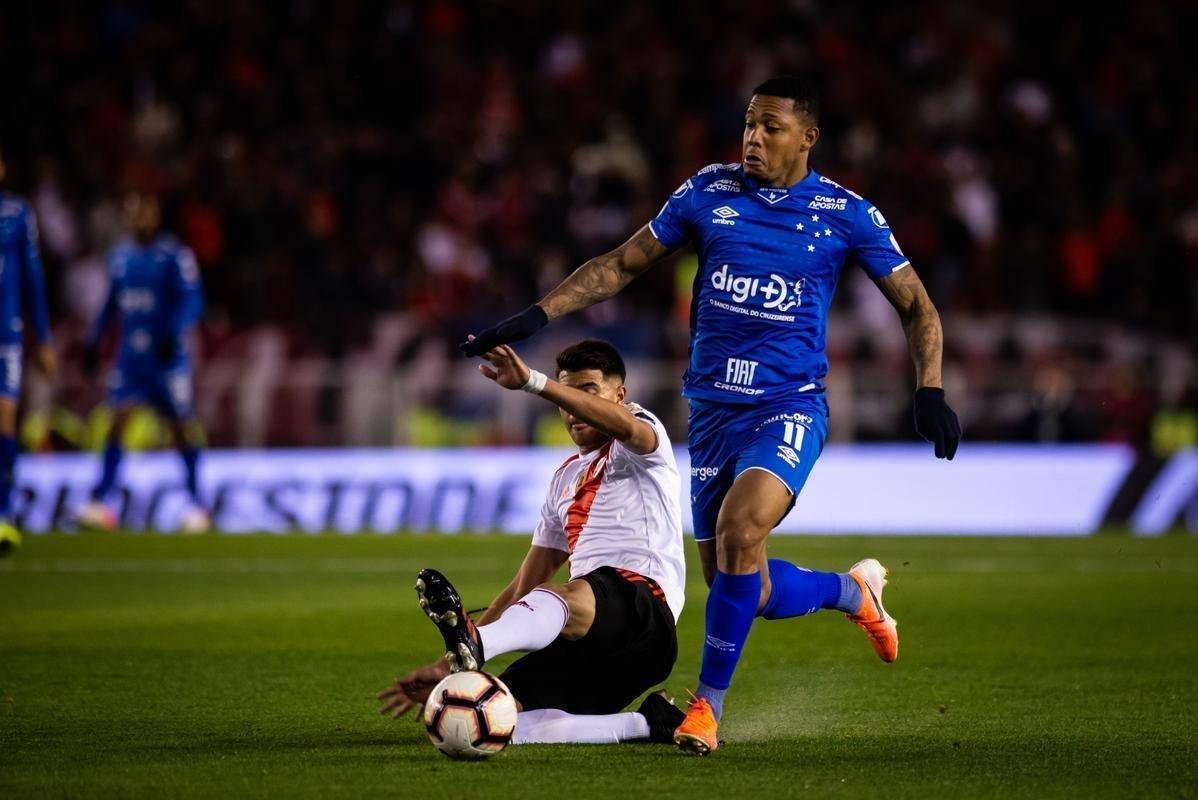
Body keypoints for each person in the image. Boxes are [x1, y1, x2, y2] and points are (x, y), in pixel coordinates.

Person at [459, 76, 962, 754]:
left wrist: (928, 388)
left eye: (771, 127)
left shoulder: (847, 215)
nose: (753, 137)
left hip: (788, 406)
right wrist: (534, 316)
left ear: (808, 136)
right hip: (714, 414)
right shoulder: (708, 193)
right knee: (740, 584)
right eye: (750, 125)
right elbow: (619, 265)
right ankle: (853, 593)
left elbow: (916, 304)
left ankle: (705, 710)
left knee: (739, 525)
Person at [379, 339, 688, 744]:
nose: (573, 406)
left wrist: (535, 382)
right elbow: (524, 583)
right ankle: (652, 723)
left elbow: (629, 428)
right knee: (493, 718)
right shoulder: (562, 480)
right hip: (594, 641)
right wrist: (449, 667)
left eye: (587, 391)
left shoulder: (643, 440)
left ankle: (480, 643)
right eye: (567, 394)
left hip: (643, 615)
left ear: (620, 395)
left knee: (571, 591)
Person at [77, 191, 209, 533]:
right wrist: (93, 342)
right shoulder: (120, 257)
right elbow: (111, 305)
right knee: (117, 423)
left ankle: (197, 504)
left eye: (145, 213)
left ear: (156, 216)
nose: (139, 219)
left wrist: (173, 332)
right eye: (133, 213)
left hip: (166, 359)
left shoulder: (174, 256)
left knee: (180, 428)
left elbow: (194, 300)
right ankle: (102, 502)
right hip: (130, 359)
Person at [0, 148, 56, 554]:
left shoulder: (17, 214)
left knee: (5, 422)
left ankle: (2, 514)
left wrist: (44, 338)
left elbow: (33, 279)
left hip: (6, 335)